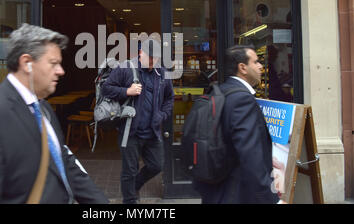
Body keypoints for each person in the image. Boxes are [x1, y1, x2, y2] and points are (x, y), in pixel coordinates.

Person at [0, 23, 108, 204]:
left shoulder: (44, 109)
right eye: (53, 63)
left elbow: (66, 164)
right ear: (27, 63)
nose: (61, 71)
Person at [193, 44, 286, 204]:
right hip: (235, 193)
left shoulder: (220, 91)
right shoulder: (242, 100)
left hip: (216, 189)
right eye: (255, 62)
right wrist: (271, 199)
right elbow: (250, 154)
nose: (260, 66)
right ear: (242, 67)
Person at [101, 38, 174, 204]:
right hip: (130, 131)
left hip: (152, 132)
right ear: (141, 53)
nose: (152, 61)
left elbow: (170, 98)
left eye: (155, 58)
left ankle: (134, 186)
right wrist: (127, 91)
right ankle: (130, 201)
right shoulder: (126, 68)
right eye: (150, 57)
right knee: (129, 170)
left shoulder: (162, 73)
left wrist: (162, 115)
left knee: (157, 165)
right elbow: (106, 88)